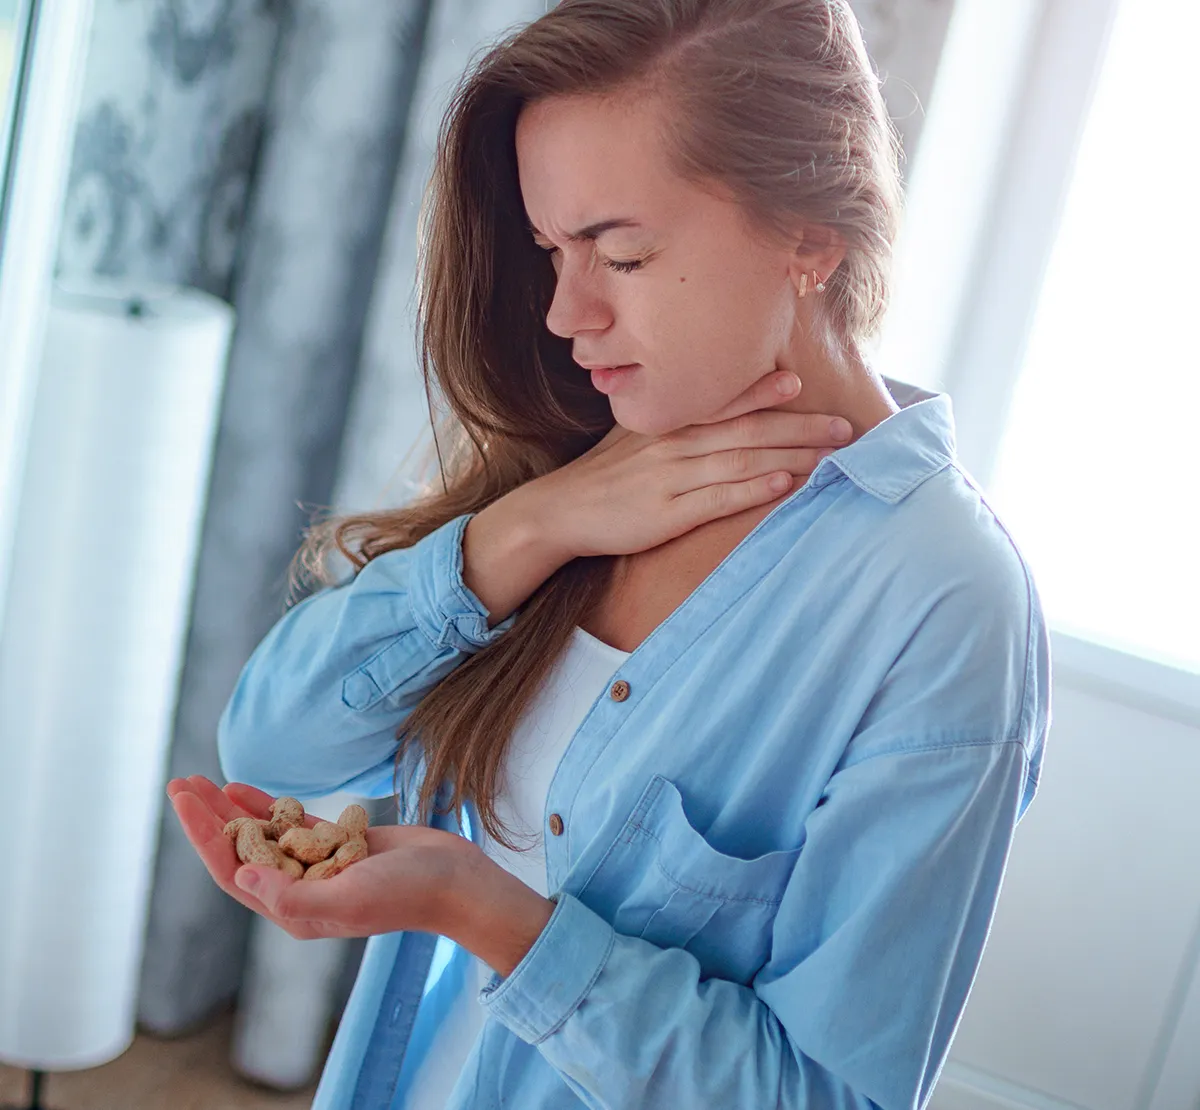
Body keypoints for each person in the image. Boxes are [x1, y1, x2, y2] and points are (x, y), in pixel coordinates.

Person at [168, 1, 1052, 1107]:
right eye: (548, 250)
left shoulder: (943, 606)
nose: (562, 313)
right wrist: (534, 525)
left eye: (620, 253)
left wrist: (484, 913)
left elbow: (834, 1096)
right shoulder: (588, 460)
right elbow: (276, 742)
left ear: (812, 238)